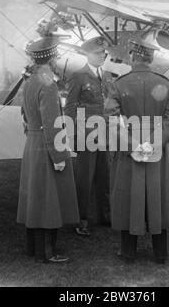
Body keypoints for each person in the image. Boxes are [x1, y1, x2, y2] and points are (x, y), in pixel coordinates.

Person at [105, 36, 169, 264]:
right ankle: (161, 253)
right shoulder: (165, 83)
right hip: (157, 151)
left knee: (129, 196)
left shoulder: (119, 84)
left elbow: (110, 120)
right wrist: (153, 143)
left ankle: (128, 251)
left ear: (132, 55)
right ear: (151, 58)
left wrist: (133, 145)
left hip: (129, 149)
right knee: (159, 196)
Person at [17, 35, 80, 263]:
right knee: (49, 200)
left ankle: (32, 248)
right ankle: (48, 252)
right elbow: (52, 123)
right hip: (46, 145)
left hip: (32, 143)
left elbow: (24, 115)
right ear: (51, 58)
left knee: (34, 198)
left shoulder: (29, 81)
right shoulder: (49, 85)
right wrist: (59, 155)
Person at [64, 36, 112, 236]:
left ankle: (105, 215)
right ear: (88, 54)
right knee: (84, 178)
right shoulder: (79, 77)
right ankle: (80, 219)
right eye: (98, 53)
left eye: (104, 53)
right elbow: (69, 108)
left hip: (104, 134)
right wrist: (73, 135)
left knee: (104, 176)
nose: (102, 56)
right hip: (85, 136)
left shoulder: (106, 76)